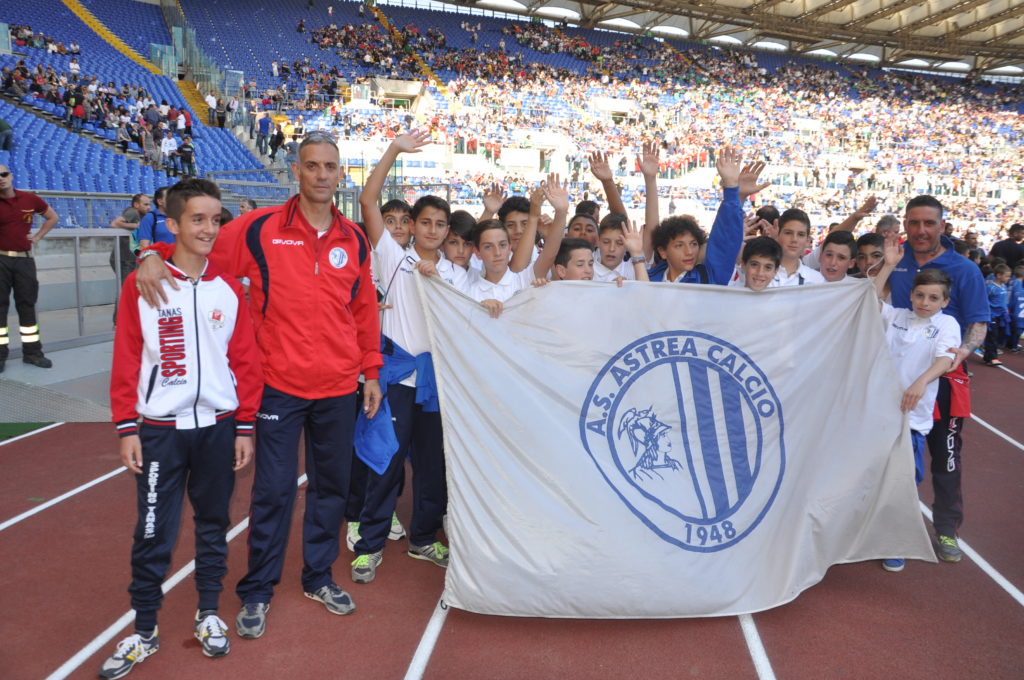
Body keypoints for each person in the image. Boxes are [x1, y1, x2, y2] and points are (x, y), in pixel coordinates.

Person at [135, 132, 383, 638]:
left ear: (340, 174)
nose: (320, 174)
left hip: (338, 387)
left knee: (331, 489)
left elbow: (363, 312)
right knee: (271, 492)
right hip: (279, 386)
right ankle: (258, 590)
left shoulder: (354, 239)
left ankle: (318, 575)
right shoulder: (259, 229)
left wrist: (371, 371)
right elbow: (197, 248)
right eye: (311, 165)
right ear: (296, 170)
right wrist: (151, 252)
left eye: (329, 167)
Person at [100, 179, 263, 678]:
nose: (209, 228)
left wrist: (245, 426)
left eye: (216, 219)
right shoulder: (144, 283)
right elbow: (127, 356)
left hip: (218, 427)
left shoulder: (229, 287)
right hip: (160, 431)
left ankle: (208, 613)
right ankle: (144, 630)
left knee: (213, 525)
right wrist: (127, 426)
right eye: (197, 218)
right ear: (171, 225)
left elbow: (245, 360)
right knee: (153, 533)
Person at [351, 130, 465, 584]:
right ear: (412, 226)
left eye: (441, 225)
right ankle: (370, 544)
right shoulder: (392, 259)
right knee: (387, 461)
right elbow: (366, 201)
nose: (433, 230)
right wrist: (394, 149)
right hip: (397, 377)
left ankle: (422, 537)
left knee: (434, 467)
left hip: (438, 385)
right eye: (426, 223)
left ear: (448, 231)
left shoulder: (457, 274)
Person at [886, 195, 989, 563]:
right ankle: (890, 529)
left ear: (942, 226)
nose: (921, 230)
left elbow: (978, 322)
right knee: (893, 461)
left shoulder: (964, 269)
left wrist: (956, 356)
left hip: (944, 381)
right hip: (899, 383)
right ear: (906, 224)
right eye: (914, 223)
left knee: (945, 459)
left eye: (929, 223)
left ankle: (946, 530)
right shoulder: (897, 262)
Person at [872, 236, 959, 572]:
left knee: (905, 482)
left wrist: (921, 382)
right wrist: (889, 266)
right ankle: (869, 535)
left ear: (944, 302)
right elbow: (869, 301)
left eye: (933, 298)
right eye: (920, 295)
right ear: (910, 294)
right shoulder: (896, 317)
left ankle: (897, 542)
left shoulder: (946, 325)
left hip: (912, 420)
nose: (925, 302)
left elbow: (945, 360)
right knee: (873, 477)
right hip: (879, 416)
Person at [648, 146, 746, 285]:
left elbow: (725, 240)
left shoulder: (709, 277)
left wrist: (731, 187)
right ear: (663, 251)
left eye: (693, 244)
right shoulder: (649, 279)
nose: (689, 252)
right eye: (679, 245)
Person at [0, 164, 58, 371]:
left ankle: (32, 353)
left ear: (11, 176)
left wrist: (38, 236)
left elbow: (52, 217)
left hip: (24, 261)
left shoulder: (29, 199)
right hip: (1, 261)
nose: (1, 178)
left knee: (27, 305)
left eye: (4, 174)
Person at [109, 193, 151, 294]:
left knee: (129, 289)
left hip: (128, 258)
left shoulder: (140, 215)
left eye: (149, 205)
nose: (148, 207)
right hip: (124, 259)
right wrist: (137, 225)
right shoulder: (133, 212)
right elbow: (114, 224)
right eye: (145, 204)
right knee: (127, 290)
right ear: (136, 205)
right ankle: (121, 310)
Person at [982, 264, 1012, 366]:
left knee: (998, 335)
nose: (1008, 278)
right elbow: (984, 300)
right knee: (992, 336)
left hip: (1002, 316)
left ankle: (987, 356)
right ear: (999, 275)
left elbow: (1004, 301)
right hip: (992, 315)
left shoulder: (1004, 286)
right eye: (1007, 276)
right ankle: (993, 358)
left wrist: (1006, 308)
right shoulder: (990, 287)